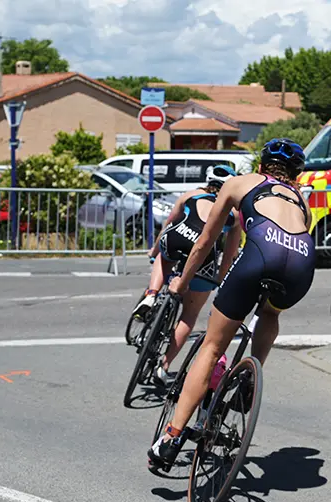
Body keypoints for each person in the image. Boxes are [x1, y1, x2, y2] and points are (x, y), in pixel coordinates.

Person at [147, 138, 315, 470]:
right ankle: (253, 371)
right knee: (269, 310)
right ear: (296, 176)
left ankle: (171, 438)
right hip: (301, 262)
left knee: (211, 347)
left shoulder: (239, 183)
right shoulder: (303, 203)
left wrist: (182, 282)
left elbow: (207, 241)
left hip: (260, 253)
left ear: (262, 168)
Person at [132, 164, 243, 386]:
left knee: (164, 257)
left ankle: (152, 294)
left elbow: (168, 224)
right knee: (189, 315)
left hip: (178, 237)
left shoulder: (191, 195)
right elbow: (230, 253)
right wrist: (220, 280)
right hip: (204, 257)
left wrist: (155, 251)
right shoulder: (233, 214)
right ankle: (163, 365)